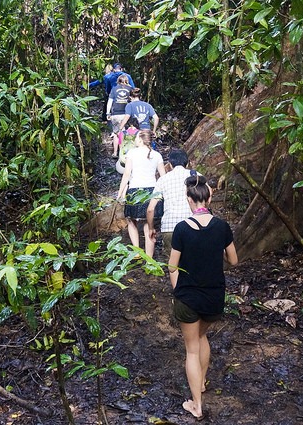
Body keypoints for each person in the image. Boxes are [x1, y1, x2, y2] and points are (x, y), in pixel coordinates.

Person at [167, 174, 238, 421]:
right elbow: (234, 260)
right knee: (202, 335)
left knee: (191, 350)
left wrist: (178, 292)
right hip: (214, 298)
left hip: (188, 299)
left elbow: (172, 266)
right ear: (208, 197)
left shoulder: (182, 229)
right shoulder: (222, 227)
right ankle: (202, 382)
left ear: (189, 200)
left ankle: (196, 404)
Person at [117, 130, 166, 258]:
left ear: (140, 139)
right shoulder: (157, 155)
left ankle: (137, 252)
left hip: (135, 190)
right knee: (148, 224)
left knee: (131, 220)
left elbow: (127, 174)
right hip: (152, 191)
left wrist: (120, 192)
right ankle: (149, 257)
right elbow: (163, 177)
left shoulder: (131, 153)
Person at [146, 149, 201, 258]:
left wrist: (151, 228)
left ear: (170, 164)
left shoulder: (163, 180)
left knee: (174, 266)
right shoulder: (196, 176)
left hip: (170, 227)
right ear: (188, 163)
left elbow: (150, 209)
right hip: (193, 225)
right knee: (193, 260)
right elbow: (208, 192)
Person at [106, 74, 133, 157]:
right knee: (126, 133)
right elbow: (133, 101)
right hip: (126, 114)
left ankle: (115, 153)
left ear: (118, 81)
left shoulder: (114, 89)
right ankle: (125, 153)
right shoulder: (130, 89)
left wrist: (108, 113)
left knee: (116, 133)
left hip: (116, 114)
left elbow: (110, 101)